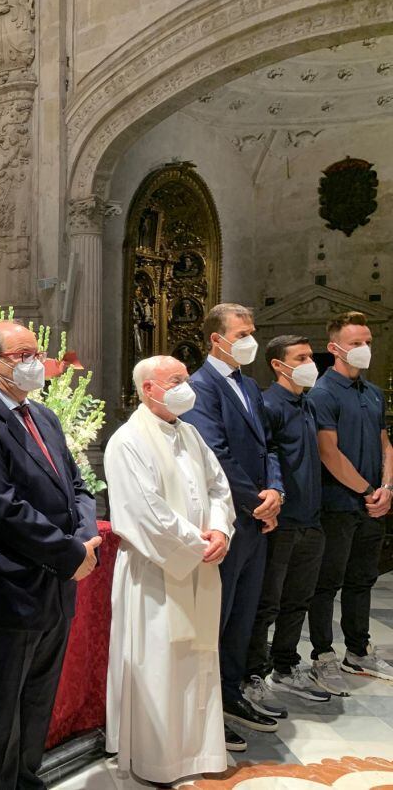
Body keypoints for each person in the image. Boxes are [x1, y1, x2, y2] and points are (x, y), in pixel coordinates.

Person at [0, 320, 100, 790]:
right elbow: (1, 507)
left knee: (38, 699)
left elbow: (77, 485)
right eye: (23, 356)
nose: (36, 363)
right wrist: (69, 553)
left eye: (36, 353)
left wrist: (84, 534)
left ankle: (26, 780)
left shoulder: (44, 416)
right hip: (11, 586)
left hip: (54, 585)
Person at [105, 356, 234, 785]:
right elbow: (146, 515)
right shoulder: (128, 441)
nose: (186, 386)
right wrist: (199, 544)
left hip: (196, 564)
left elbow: (218, 486)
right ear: (149, 390)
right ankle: (158, 759)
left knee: (197, 659)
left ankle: (197, 752)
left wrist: (219, 530)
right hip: (157, 573)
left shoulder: (191, 434)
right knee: (159, 663)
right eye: (176, 380)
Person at [181, 303, 283, 752]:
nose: (250, 340)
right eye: (242, 333)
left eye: (252, 331)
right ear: (216, 339)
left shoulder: (247, 384)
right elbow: (216, 453)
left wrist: (275, 490)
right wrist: (255, 500)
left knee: (244, 614)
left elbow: (268, 445)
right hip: (227, 518)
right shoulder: (201, 387)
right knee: (216, 619)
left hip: (257, 516)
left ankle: (231, 692)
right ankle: (205, 707)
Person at [307, 311, 393, 693]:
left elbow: (385, 444)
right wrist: (366, 490)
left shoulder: (373, 392)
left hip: (374, 502)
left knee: (362, 579)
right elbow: (329, 452)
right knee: (327, 583)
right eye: (356, 343)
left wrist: (387, 487)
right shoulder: (322, 393)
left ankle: (357, 650)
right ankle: (322, 655)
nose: (364, 350)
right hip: (338, 503)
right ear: (334, 347)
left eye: (368, 343)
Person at [244, 336, 330, 704]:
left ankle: (285, 666)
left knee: (299, 599)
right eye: (303, 357)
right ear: (279, 365)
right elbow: (266, 458)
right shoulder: (268, 404)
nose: (312, 362)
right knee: (268, 603)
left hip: (312, 518)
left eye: (311, 356)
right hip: (284, 521)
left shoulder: (307, 404)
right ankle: (253, 673)